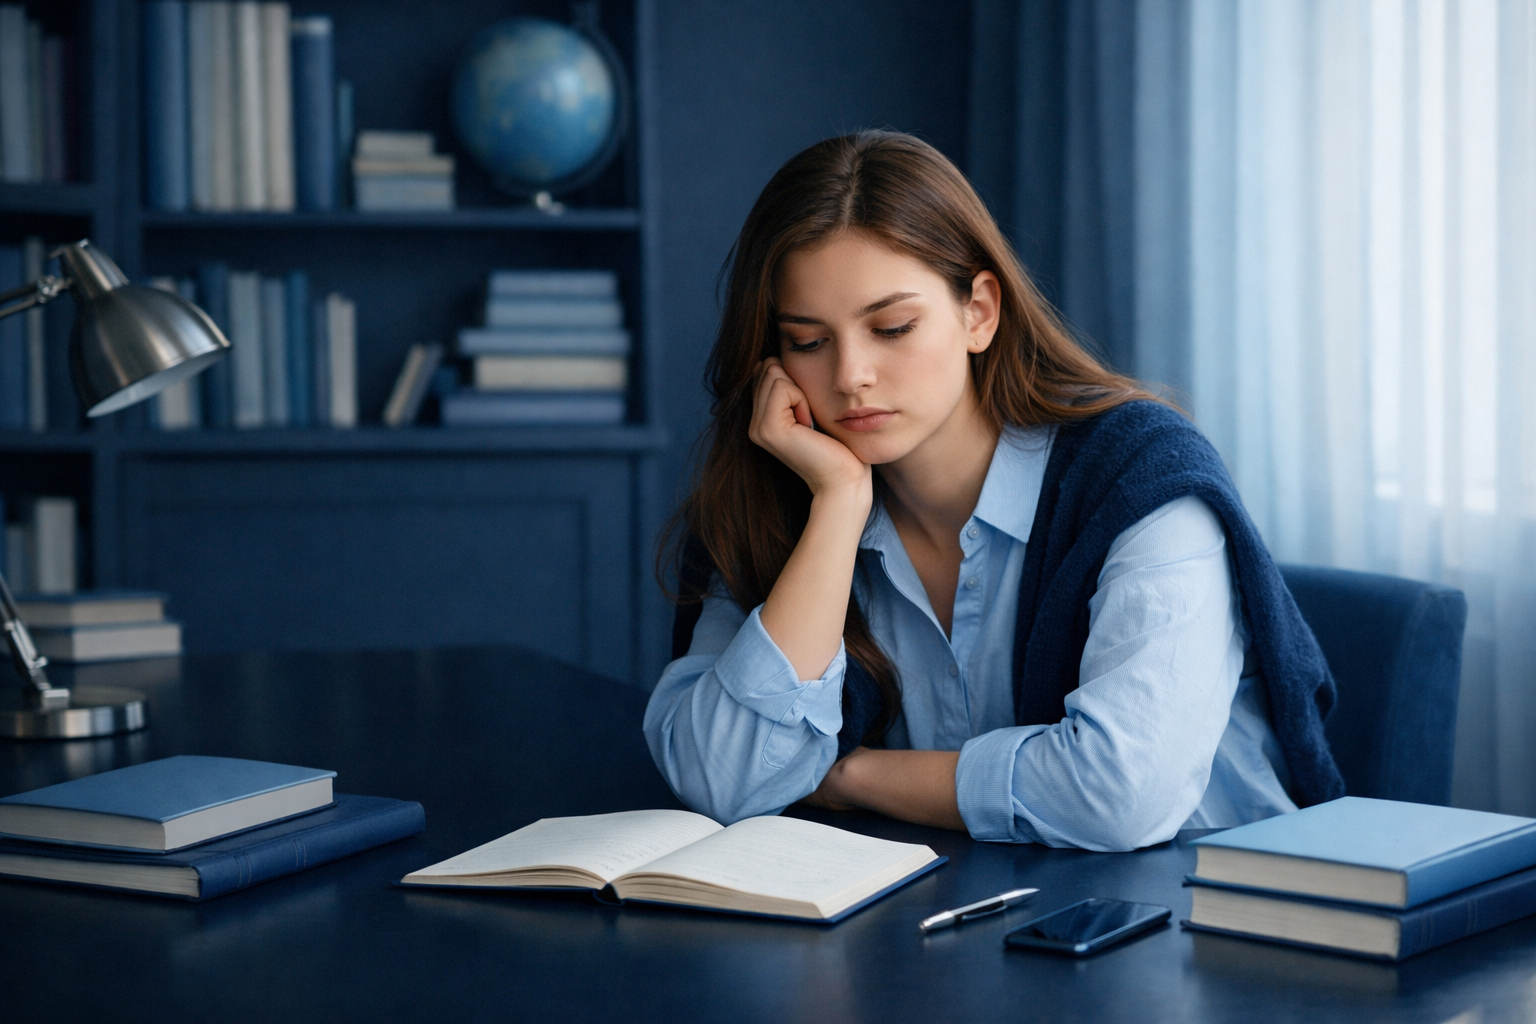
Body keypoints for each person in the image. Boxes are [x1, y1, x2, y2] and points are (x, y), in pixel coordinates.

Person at [646, 131, 1344, 851]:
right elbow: (720, 779)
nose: (851, 374)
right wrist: (837, 509)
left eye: (892, 328)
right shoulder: (783, 501)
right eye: (809, 342)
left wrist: (845, 775)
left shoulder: (1142, 477)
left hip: (1210, 918)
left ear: (978, 312)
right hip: (980, 919)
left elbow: (1117, 795)